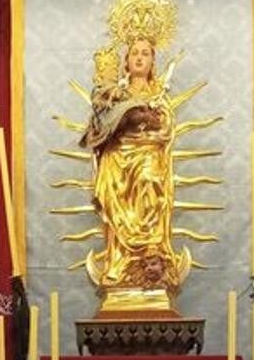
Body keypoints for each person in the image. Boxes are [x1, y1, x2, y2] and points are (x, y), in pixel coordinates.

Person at [79, 37, 191, 313]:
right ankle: (120, 264)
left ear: (153, 62)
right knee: (119, 212)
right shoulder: (113, 93)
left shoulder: (158, 95)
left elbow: (166, 131)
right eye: (134, 54)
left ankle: (151, 260)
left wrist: (149, 125)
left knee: (150, 186)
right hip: (118, 159)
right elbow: (99, 129)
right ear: (126, 61)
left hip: (149, 156)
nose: (140, 58)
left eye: (145, 54)